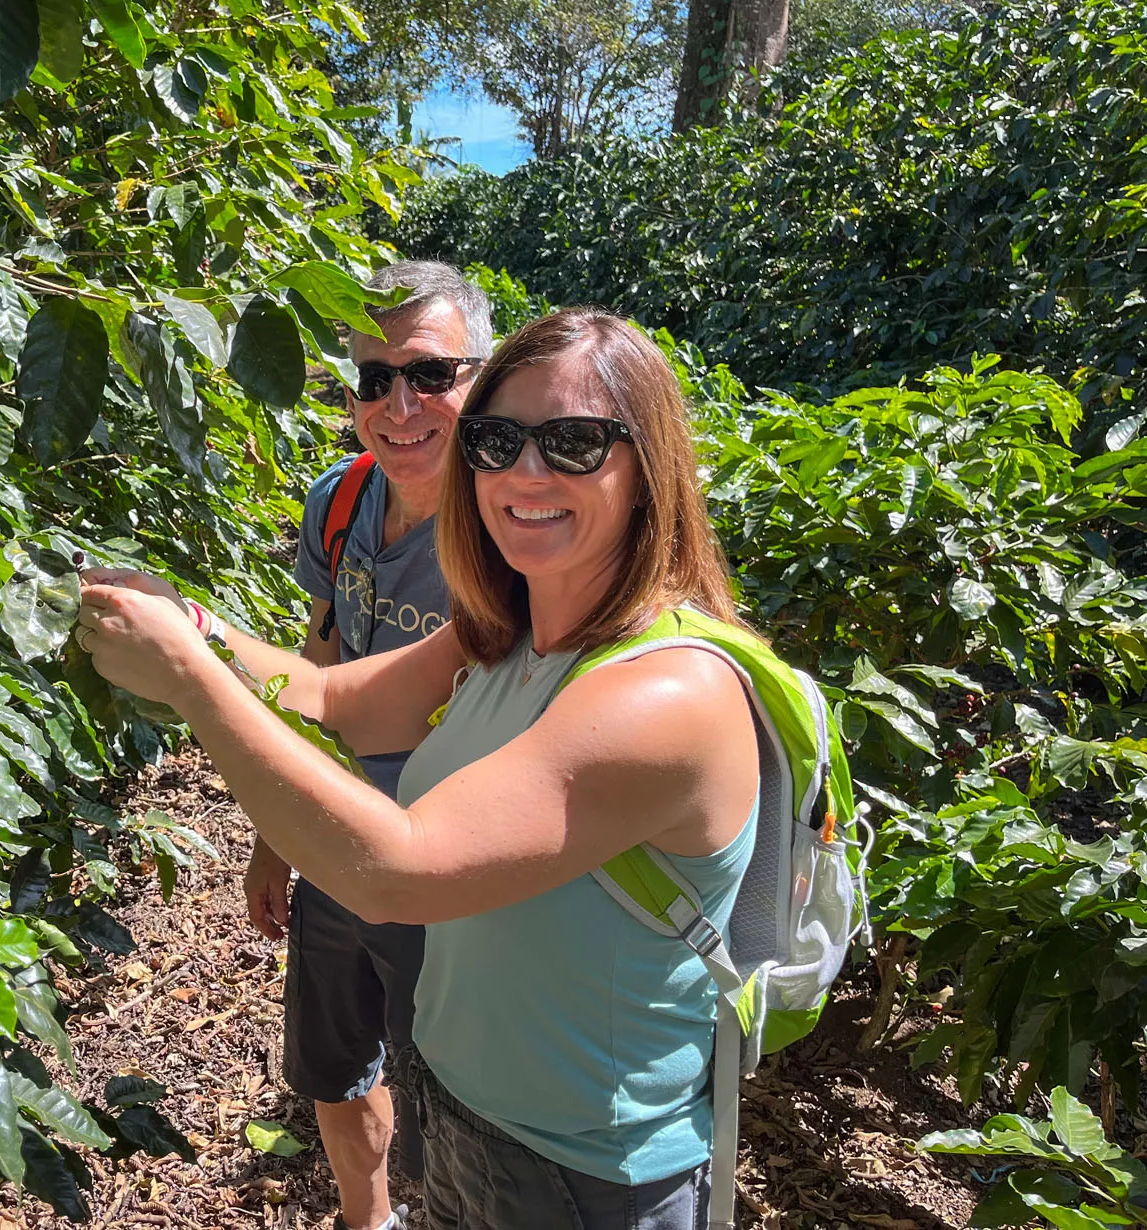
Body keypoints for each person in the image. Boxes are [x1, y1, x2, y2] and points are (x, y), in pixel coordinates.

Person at [76, 308, 760, 1230]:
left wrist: (192, 683)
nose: (525, 473)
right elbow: (341, 699)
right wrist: (193, 624)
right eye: (497, 440)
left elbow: (398, 872)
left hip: (589, 1170)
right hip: (471, 1109)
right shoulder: (510, 631)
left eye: (573, 442)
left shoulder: (668, 695)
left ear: (649, 468)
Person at [170, 261, 493, 1230]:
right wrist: (280, 834)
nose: (400, 404)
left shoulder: (509, 528)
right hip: (340, 843)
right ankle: (368, 1219)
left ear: (483, 377)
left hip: (455, 867)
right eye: (372, 379)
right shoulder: (341, 499)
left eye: (431, 375)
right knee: (332, 1061)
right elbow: (324, 647)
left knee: (463, 1107)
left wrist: (189, 657)